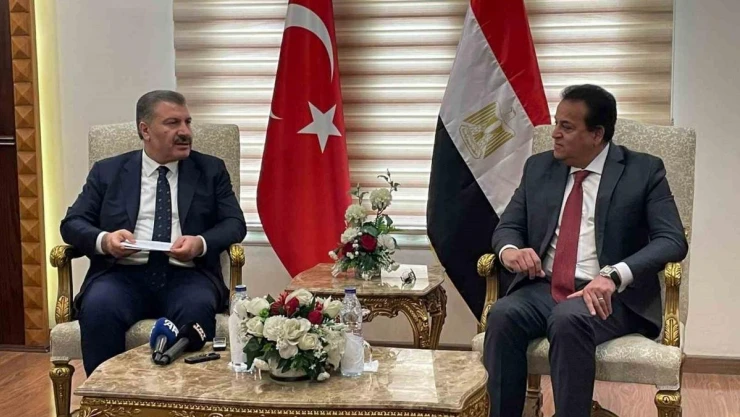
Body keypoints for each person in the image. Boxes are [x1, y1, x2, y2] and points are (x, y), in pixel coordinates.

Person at [484, 84, 688, 417]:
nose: (555, 134)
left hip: (611, 296)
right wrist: (510, 252)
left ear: (596, 134)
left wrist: (614, 275)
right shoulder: (539, 168)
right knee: (504, 314)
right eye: (556, 123)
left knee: (568, 319)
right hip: (544, 287)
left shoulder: (643, 171)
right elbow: (508, 226)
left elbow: (672, 239)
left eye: (566, 127)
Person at [61, 90, 247, 375]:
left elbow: (234, 223)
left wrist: (200, 243)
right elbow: (72, 223)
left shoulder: (210, 170)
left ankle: (187, 396)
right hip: (121, 275)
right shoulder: (108, 171)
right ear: (145, 130)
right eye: (173, 123)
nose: (185, 132)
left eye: (187, 122)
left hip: (187, 276)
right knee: (99, 307)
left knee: (196, 309)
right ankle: (106, 396)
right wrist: (105, 241)